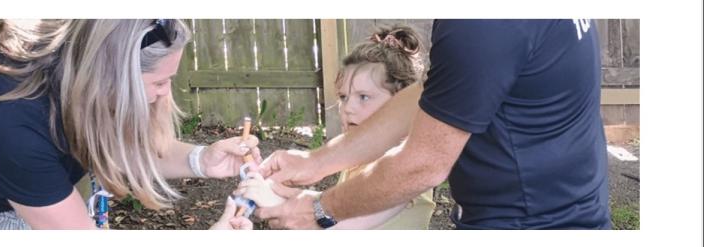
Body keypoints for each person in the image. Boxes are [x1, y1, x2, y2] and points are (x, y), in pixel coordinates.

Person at [255, 19, 611, 229]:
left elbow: (421, 166)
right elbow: (439, 93)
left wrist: (319, 211)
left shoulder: (482, 23)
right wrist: (316, 162)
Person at [0, 19, 257, 230]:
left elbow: (125, 147)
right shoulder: (16, 130)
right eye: (159, 82)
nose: (165, 93)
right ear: (112, 79)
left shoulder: (81, 70)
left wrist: (203, 160)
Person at [235, 25, 435, 229]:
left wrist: (271, 201)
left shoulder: (405, 167)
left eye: (364, 97)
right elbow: (342, 208)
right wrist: (290, 196)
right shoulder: (357, 162)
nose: (348, 108)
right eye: (343, 97)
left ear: (400, 105)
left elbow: (340, 229)